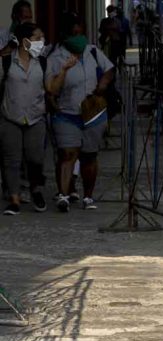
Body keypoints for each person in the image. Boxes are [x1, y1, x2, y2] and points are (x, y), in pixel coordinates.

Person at [45, 13, 114, 212]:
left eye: (80, 33)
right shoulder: (55, 57)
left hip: (93, 112)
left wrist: (102, 84)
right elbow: (51, 88)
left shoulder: (92, 51)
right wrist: (65, 71)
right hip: (66, 113)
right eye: (73, 33)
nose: (78, 38)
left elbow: (109, 69)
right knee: (67, 154)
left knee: (89, 156)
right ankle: (64, 195)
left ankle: (88, 197)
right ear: (64, 35)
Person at [0, 23, 47, 215]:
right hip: (10, 116)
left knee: (35, 158)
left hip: (36, 117)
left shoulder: (42, 62)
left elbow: (50, 85)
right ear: (25, 41)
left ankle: (36, 190)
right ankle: (15, 199)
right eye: (37, 38)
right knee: (12, 160)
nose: (41, 42)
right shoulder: (6, 61)